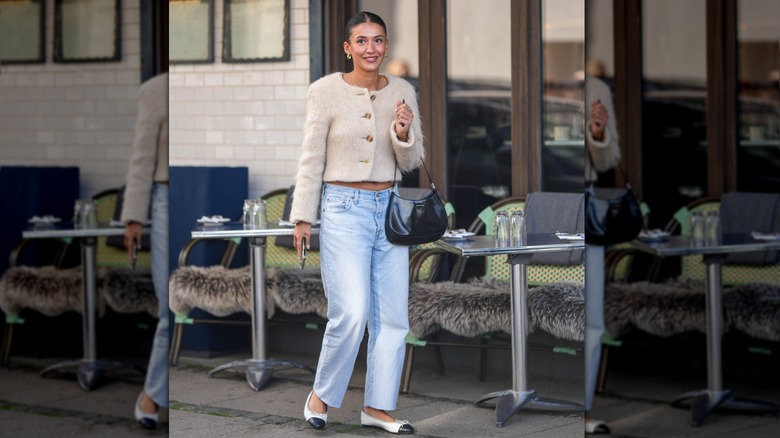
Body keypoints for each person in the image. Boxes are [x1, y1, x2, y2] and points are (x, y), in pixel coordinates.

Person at [289, 11, 423, 435]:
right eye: (361, 41)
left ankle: (378, 408)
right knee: (351, 312)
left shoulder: (402, 90)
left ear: (386, 45)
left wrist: (403, 131)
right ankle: (321, 397)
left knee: (393, 317)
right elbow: (311, 158)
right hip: (343, 207)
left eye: (378, 40)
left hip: (390, 210)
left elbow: (412, 162)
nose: (371, 49)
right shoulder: (325, 91)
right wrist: (303, 216)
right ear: (348, 48)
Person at [121, 72, 169, 430]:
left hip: (199, 193)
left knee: (185, 304)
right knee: (168, 304)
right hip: (166, 197)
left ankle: (162, 392)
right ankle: (151, 395)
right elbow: (141, 157)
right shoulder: (154, 91)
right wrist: (133, 217)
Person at [584, 75, 620, 435]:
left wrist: (597, 134)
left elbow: (610, 159)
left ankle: (585, 409)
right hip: (544, 198)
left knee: (592, 316)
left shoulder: (597, 90)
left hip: (584, 204)